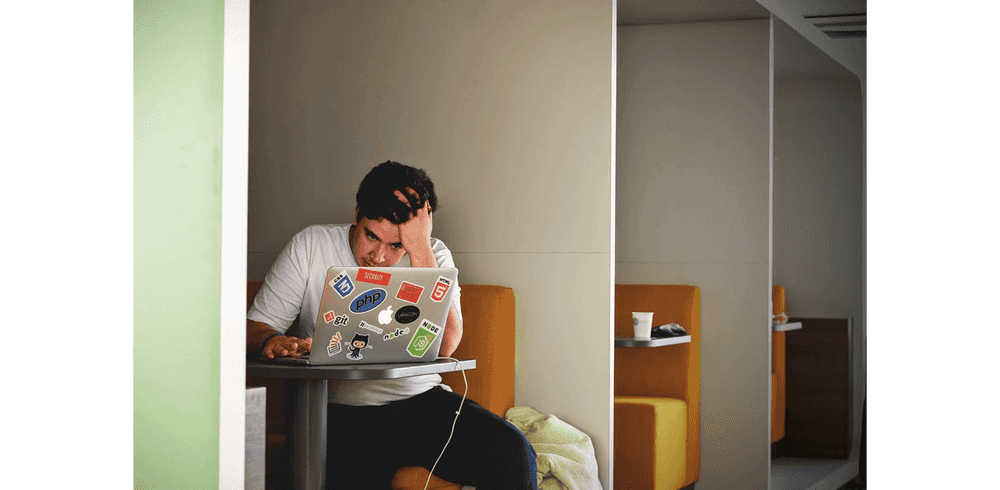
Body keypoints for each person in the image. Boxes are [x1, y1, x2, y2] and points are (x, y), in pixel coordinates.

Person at [246, 161, 537, 490]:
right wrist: (273, 340)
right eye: (371, 236)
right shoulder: (311, 245)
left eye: (395, 245)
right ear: (357, 214)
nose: (379, 256)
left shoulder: (432, 254)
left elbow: (446, 345)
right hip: (338, 411)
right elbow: (255, 327)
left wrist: (419, 249)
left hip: (420, 403)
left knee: (514, 453)